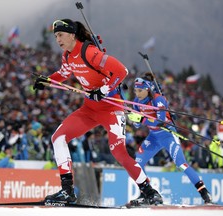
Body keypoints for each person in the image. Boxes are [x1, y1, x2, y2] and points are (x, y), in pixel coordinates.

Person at [33, 19, 162, 206]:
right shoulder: (67, 56)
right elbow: (63, 74)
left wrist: (102, 90)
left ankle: (150, 192)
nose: (57, 39)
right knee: (57, 138)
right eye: (55, 36)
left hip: (111, 108)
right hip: (89, 109)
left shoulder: (89, 52)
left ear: (72, 35)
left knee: (118, 152)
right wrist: (46, 80)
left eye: (60, 35)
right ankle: (67, 191)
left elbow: (121, 71)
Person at [127, 72, 213, 204]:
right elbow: (138, 125)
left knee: (181, 164)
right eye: (135, 90)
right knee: (138, 163)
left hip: (167, 135)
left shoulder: (158, 99)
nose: (137, 94)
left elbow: (160, 122)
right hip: (154, 137)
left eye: (140, 90)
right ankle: (146, 193)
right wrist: (134, 119)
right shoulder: (136, 103)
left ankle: (204, 193)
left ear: (147, 89)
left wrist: (141, 119)